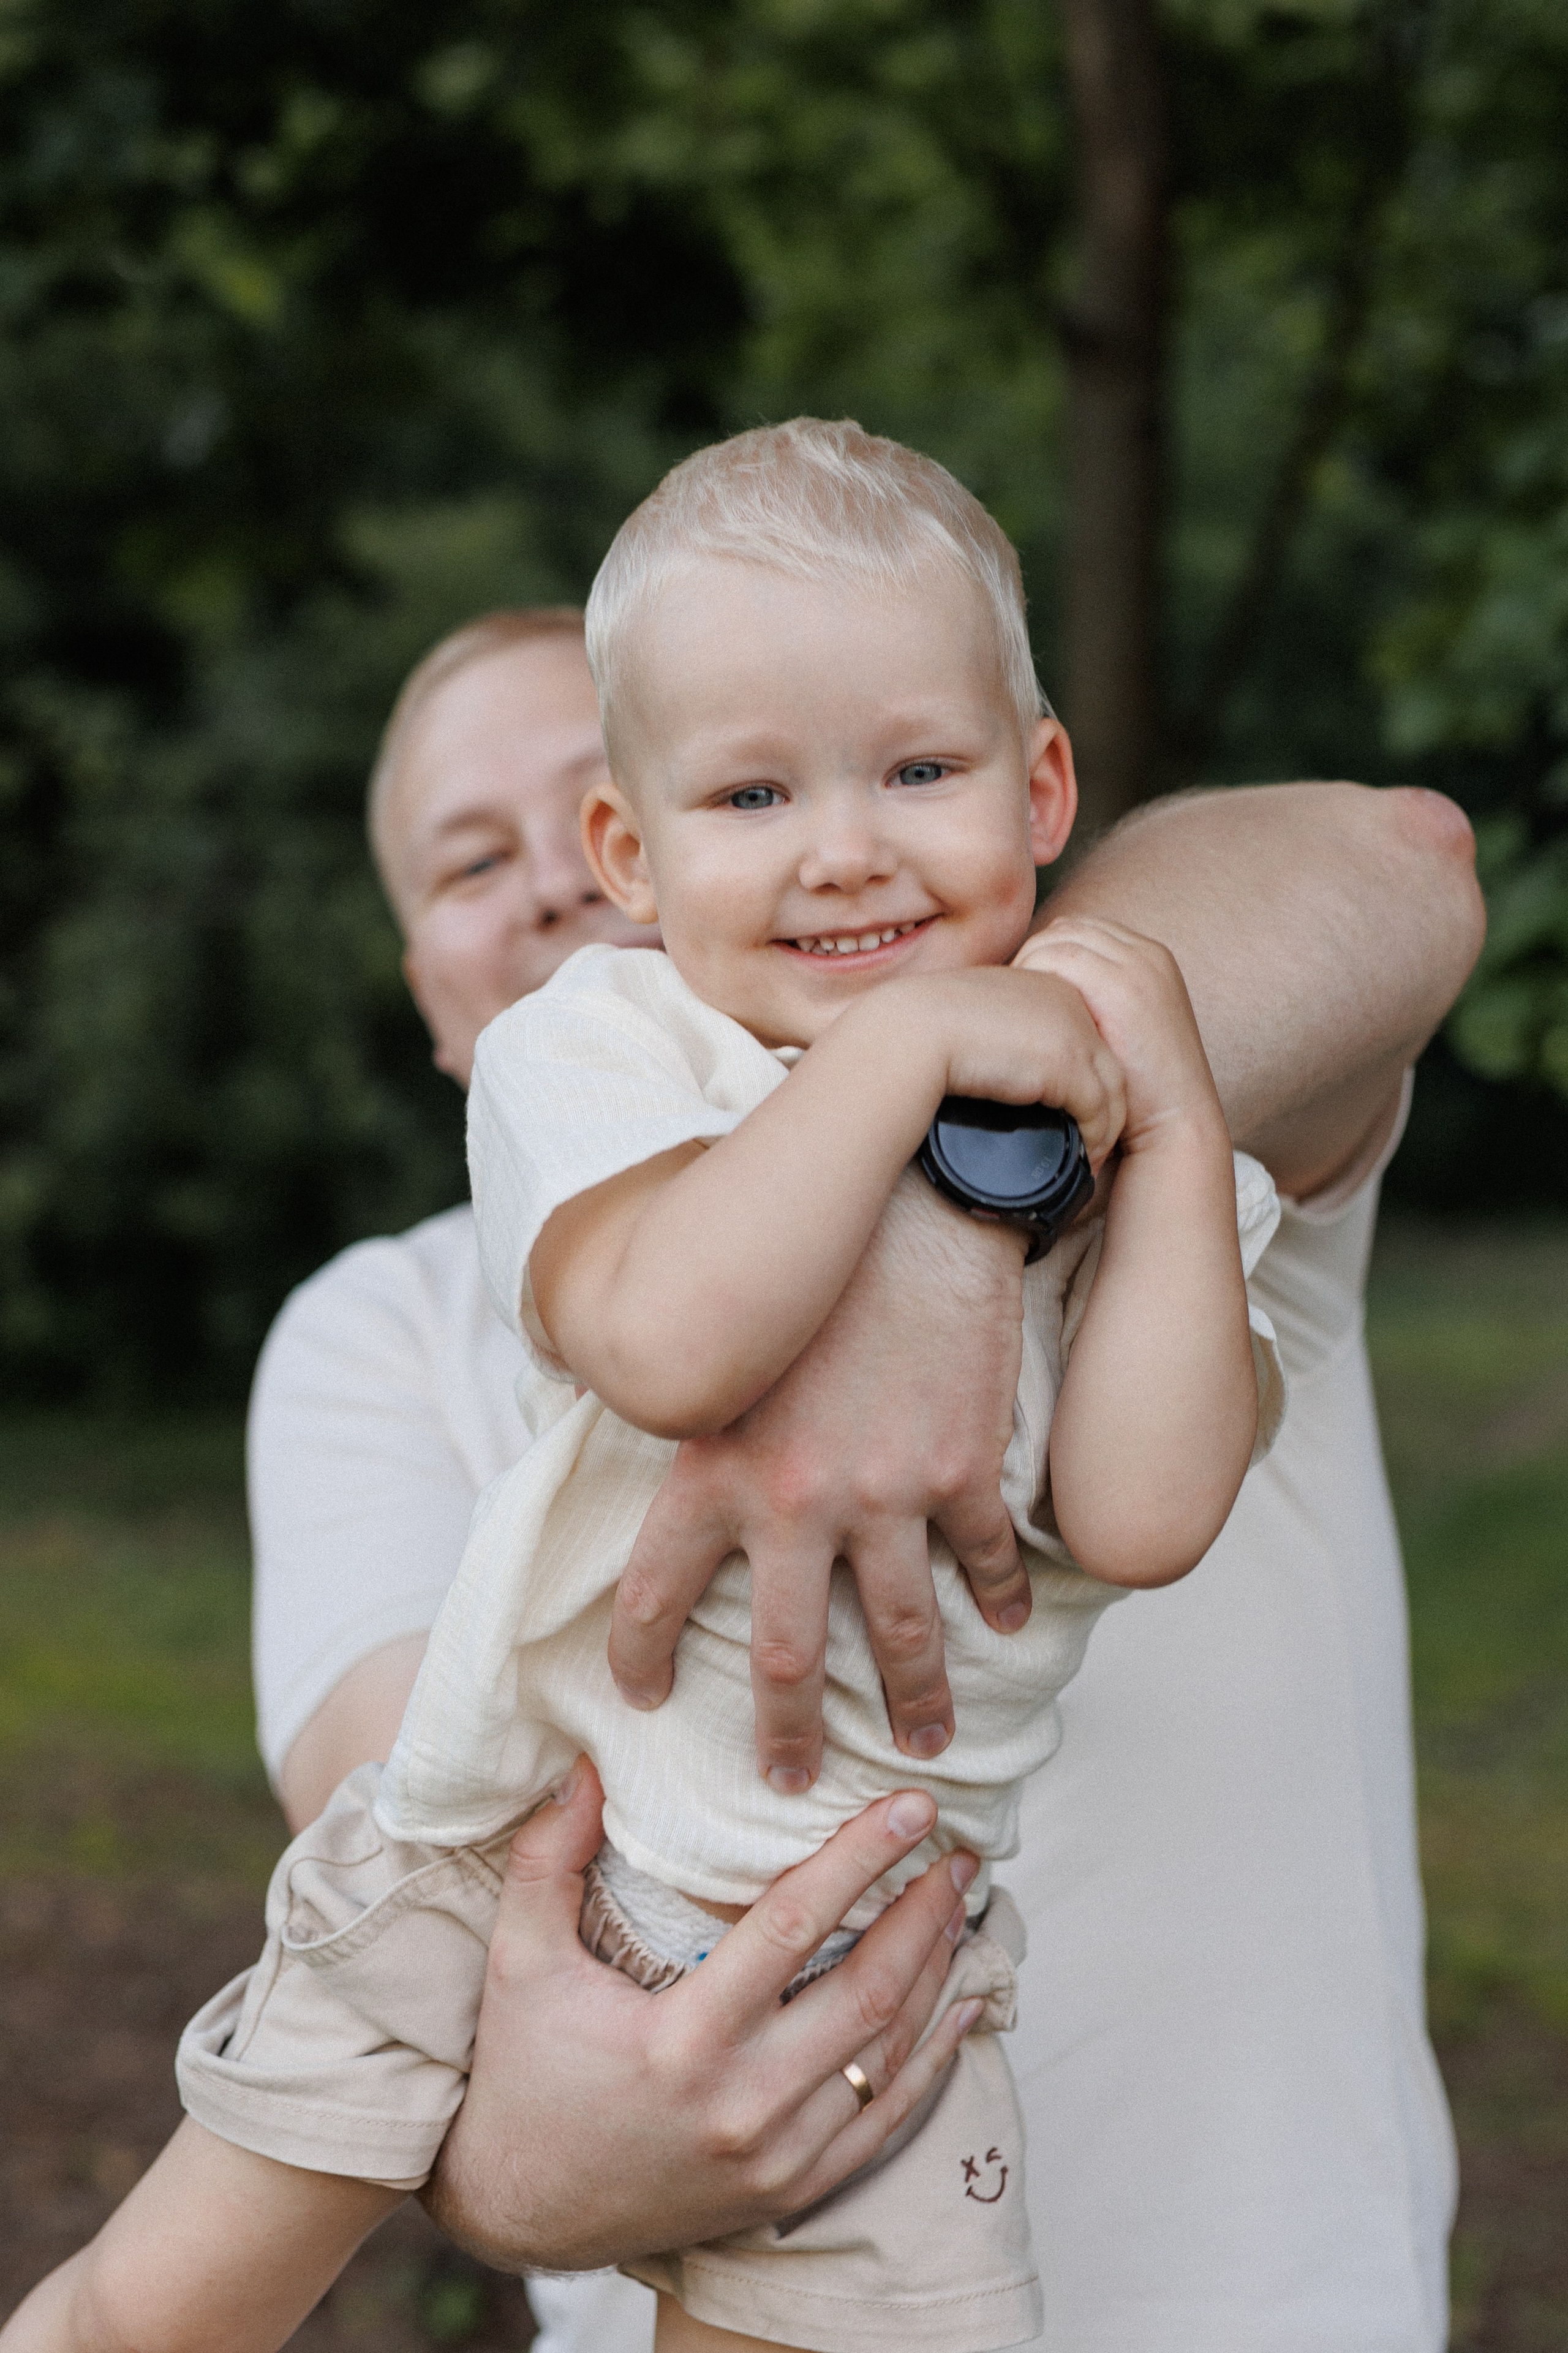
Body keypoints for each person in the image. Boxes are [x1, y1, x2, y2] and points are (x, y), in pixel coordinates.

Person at [17, 535, 1479, 2346]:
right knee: (137, 2322)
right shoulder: (523, 1146)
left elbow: (1148, 1501)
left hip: (921, 2016)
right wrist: (922, 1097)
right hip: (518, 1889)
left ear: (1033, 799)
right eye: (481, 857)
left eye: (896, 769)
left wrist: (1052, 1144)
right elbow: (662, 1333)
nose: (551, 875)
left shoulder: (1144, 1112)